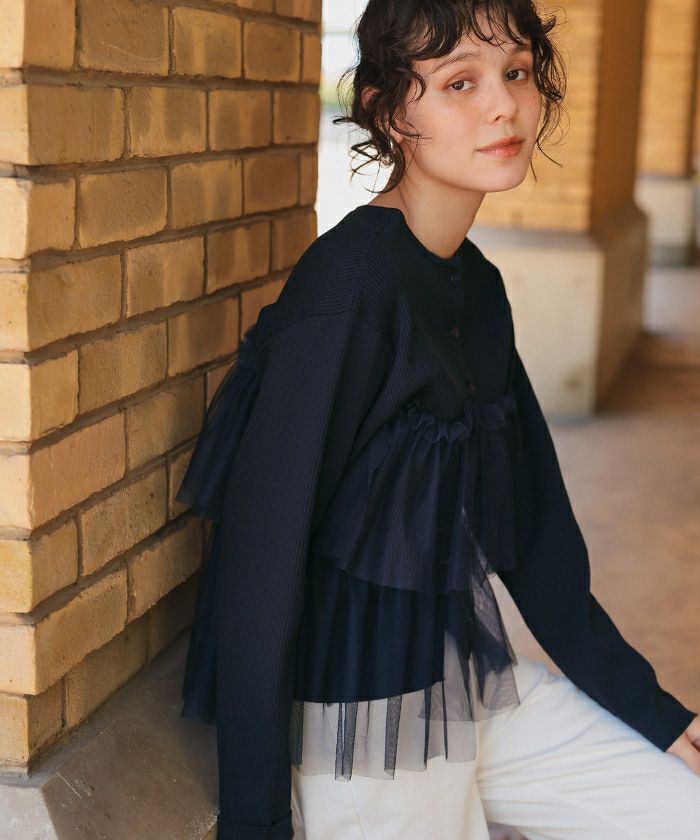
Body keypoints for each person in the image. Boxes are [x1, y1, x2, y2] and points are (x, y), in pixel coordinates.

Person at [176, 1, 700, 838]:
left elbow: (535, 535)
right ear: (390, 111)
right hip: (362, 730)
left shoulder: (476, 285)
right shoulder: (350, 287)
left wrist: (656, 714)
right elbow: (259, 565)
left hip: (467, 683)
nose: (503, 106)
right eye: (460, 82)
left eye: (516, 73)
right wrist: (254, 819)